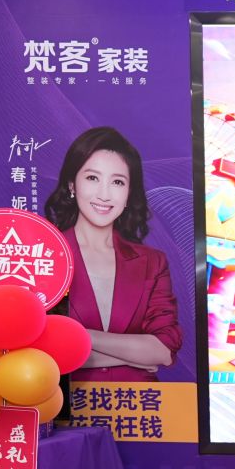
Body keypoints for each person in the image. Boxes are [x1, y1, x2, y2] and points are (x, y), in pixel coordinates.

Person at [43, 127, 181, 382]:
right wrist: (134, 354)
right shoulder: (45, 255)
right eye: (92, 178)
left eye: (117, 182)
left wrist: (81, 336)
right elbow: (42, 351)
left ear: (129, 193)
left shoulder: (152, 262)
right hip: (64, 401)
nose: (104, 194)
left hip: (138, 402)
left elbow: (163, 350)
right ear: (72, 184)